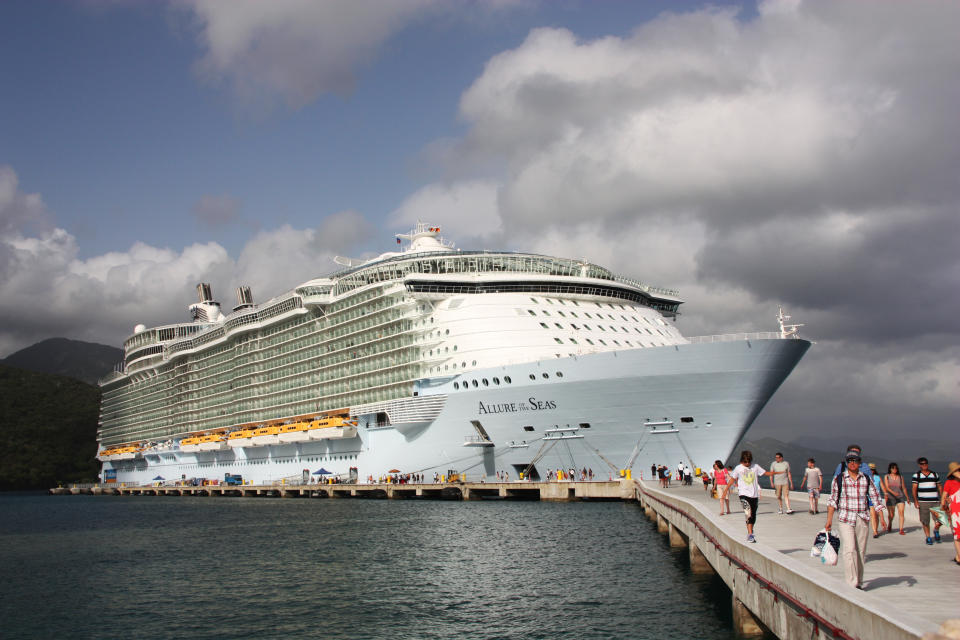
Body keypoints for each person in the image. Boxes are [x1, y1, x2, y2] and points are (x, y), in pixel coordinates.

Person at [825, 449, 886, 589]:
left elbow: (876, 499)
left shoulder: (866, 479)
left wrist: (882, 517)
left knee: (860, 551)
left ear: (860, 463)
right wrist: (829, 520)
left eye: (855, 461)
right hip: (846, 518)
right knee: (849, 549)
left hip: (862, 518)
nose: (852, 463)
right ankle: (851, 583)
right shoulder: (839, 479)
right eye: (850, 461)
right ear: (847, 463)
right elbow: (833, 500)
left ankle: (858, 580)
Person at [721, 450, 778, 543]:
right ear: (742, 461)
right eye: (745, 462)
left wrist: (777, 473)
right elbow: (732, 479)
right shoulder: (738, 468)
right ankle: (750, 534)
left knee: (753, 516)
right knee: (748, 514)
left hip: (754, 495)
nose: (747, 464)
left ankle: (750, 531)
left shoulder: (755, 466)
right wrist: (725, 491)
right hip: (743, 494)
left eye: (748, 462)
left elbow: (765, 473)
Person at [912, 457, 943, 545]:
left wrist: (943, 498)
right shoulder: (916, 475)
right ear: (919, 465)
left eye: (925, 463)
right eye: (922, 464)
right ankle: (928, 537)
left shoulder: (935, 475)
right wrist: (916, 501)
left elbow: (940, 487)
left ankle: (936, 530)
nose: (924, 465)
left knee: (940, 519)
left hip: (935, 501)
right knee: (925, 521)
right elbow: (914, 489)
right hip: (923, 502)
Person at [940, 461, 960, 566]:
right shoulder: (949, 483)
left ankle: (958, 557)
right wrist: (943, 507)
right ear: (952, 473)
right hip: (955, 511)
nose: (958, 472)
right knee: (957, 535)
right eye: (956, 470)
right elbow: (944, 496)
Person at [882, 462, 911, 535]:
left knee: (901, 512)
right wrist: (893, 493)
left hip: (900, 497)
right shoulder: (887, 476)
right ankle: (890, 523)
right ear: (890, 469)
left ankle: (901, 529)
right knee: (891, 515)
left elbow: (904, 488)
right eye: (893, 468)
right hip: (890, 497)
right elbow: (887, 487)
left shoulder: (900, 477)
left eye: (896, 468)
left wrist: (907, 497)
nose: (895, 469)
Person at [867, 462, 887, 538]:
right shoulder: (866, 478)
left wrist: (885, 494)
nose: (871, 471)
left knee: (876, 515)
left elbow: (883, 487)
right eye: (870, 470)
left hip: (878, 499)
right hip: (869, 498)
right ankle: (875, 531)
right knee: (873, 515)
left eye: (872, 470)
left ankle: (876, 528)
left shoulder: (878, 478)